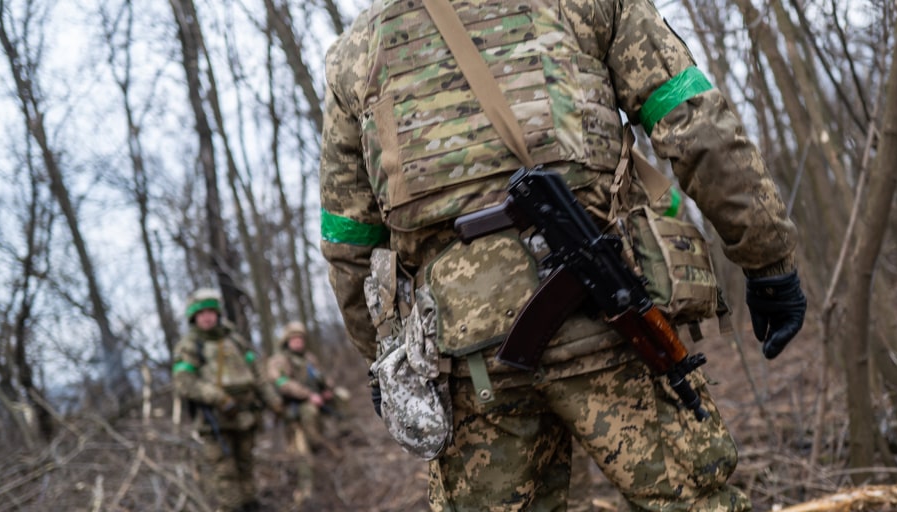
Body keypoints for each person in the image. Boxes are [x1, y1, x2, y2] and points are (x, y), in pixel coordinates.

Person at [318, 1, 807, 510]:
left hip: (472, 357)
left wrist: (383, 356)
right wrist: (767, 260)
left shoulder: (356, 53)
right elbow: (698, 127)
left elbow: (350, 244)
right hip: (604, 334)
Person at [172, 288, 283, 512]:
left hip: (246, 415)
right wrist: (219, 398)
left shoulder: (234, 339)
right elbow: (184, 382)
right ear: (193, 317)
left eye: (211, 311)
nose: (207, 316)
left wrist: (273, 401)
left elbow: (257, 374)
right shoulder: (190, 346)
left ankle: (251, 505)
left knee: (246, 465)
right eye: (201, 313)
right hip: (215, 421)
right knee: (225, 473)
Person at [265, 321, 345, 505]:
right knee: (302, 454)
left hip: (315, 408)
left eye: (300, 338)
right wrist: (308, 395)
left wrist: (327, 389)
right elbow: (282, 383)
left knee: (341, 397)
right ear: (287, 341)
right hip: (293, 410)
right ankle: (305, 492)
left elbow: (322, 376)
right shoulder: (279, 360)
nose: (298, 342)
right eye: (294, 339)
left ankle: (336, 441)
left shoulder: (309, 358)